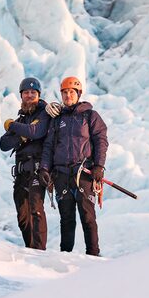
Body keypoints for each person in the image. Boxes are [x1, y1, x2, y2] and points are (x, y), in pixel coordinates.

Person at [39, 76, 108, 257]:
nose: (68, 95)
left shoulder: (90, 116)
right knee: (66, 219)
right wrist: (44, 168)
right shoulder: (57, 119)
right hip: (62, 175)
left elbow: (101, 141)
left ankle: (93, 255)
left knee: (88, 217)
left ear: (78, 94)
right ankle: (65, 256)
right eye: (65, 92)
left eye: (71, 92)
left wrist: (99, 166)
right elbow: (48, 146)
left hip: (83, 174)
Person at [0, 77, 51, 249]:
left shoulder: (44, 114)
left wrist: (11, 125)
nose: (29, 95)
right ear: (21, 95)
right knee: (22, 215)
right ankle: (30, 248)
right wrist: (21, 135)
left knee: (36, 210)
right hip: (21, 173)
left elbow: (35, 132)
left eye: (33, 93)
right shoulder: (21, 118)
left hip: (37, 170)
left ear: (39, 95)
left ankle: (39, 251)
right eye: (26, 93)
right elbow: (4, 144)